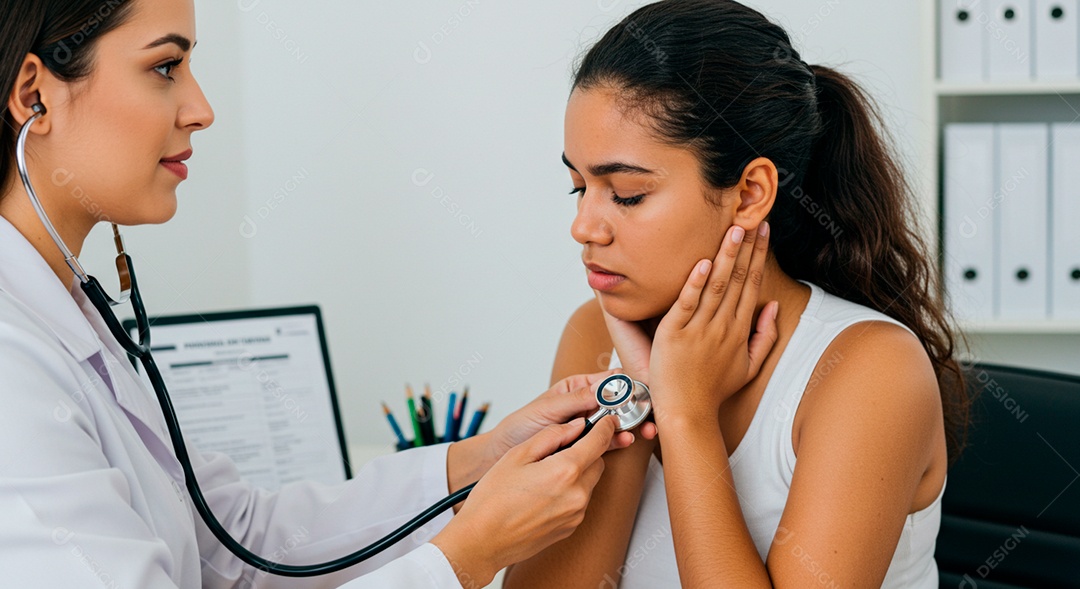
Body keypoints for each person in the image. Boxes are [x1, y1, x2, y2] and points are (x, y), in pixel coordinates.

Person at [0, 1, 633, 587]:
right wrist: (468, 555)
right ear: (36, 95)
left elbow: (238, 545)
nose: (201, 107)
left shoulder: (67, 307)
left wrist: (482, 460)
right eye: (165, 66)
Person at [505, 1, 971, 587]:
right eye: (579, 187)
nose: (585, 227)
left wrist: (687, 416)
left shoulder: (871, 372)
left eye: (625, 194)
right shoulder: (595, 336)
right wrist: (635, 400)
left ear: (750, 193)